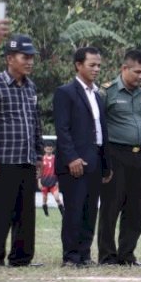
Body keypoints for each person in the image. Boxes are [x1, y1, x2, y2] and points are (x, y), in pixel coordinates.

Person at [54, 47, 113, 267]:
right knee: (74, 210)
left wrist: (106, 164)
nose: (97, 69)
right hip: (75, 163)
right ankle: (71, 256)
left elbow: (101, 130)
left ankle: (85, 254)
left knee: (90, 210)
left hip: (96, 160)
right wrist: (71, 158)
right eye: (92, 65)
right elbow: (63, 129)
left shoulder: (97, 95)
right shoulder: (65, 92)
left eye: (99, 65)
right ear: (79, 65)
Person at [0, 34, 44, 267]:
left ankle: (21, 257)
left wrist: (39, 156)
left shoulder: (31, 87)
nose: (30, 61)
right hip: (3, 159)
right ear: (10, 58)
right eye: (25, 57)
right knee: (1, 210)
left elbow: (35, 122)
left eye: (32, 57)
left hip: (27, 159)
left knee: (25, 212)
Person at [97, 49, 141, 266]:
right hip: (115, 154)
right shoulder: (106, 92)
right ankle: (107, 255)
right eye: (137, 72)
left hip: (140, 156)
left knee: (136, 208)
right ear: (124, 69)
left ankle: (127, 254)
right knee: (111, 207)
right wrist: (103, 162)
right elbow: (98, 127)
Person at [39, 142, 65, 216]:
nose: (49, 150)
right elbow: (40, 171)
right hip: (44, 182)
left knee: (57, 198)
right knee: (44, 199)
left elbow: (58, 170)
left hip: (53, 182)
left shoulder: (55, 159)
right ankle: (46, 212)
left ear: (52, 149)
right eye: (47, 149)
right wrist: (39, 182)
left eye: (50, 149)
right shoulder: (42, 159)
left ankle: (63, 213)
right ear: (44, 149)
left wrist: (58, 181)